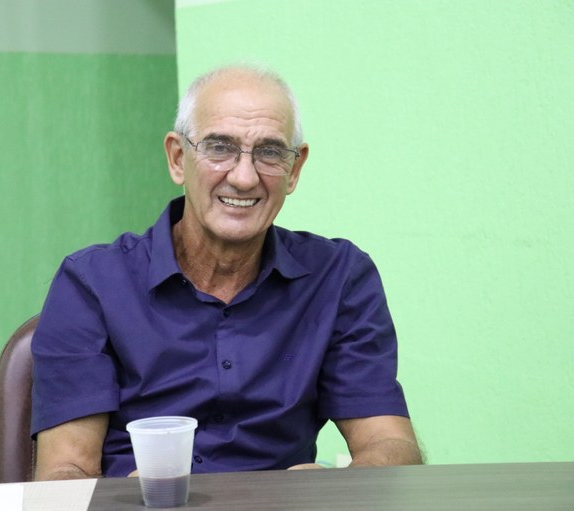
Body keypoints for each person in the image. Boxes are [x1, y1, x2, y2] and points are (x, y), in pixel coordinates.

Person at [31, 65, 422, 480]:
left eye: (270, 152)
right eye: (220, 148)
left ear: (294, 169)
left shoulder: (339, 277)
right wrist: (123, 502)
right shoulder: (92, 283)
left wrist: (338, 490)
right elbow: (65, 472)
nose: (244, 177)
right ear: (178, 159)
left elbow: (391, 444)